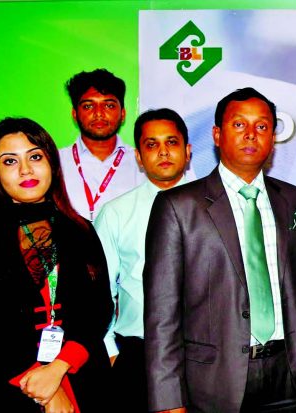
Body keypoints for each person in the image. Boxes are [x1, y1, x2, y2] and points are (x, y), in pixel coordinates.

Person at [144, 87, 296, 413]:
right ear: (216, 134)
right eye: (239, 125)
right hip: (213, 382)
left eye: (262, 126)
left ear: (272, 137)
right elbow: (162, 311)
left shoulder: (294, 200)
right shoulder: (178, 206)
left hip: (289, 375)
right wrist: (168, 398)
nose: (251, 134)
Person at [0, 117, 113, 411]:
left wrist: (59, 368)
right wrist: (41, 386)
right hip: (2, 384)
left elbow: (98, 309)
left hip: (81, 378)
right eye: (10, 161)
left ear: (52, 164)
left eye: (35, 156)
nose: (25, 170)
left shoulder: (80, 230)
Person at [94, 108, 193, 411]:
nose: (163, 152)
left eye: (171, 142)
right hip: (138, 355)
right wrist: (110, 351)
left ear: (188, 151)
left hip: (205, 356)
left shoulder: (216, 209)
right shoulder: (116, 213)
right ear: (138, 156)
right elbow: (98, 291)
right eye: (151, 145)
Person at [60, 68, 144, 220]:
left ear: (123, 114)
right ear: (74, 114)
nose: (99, 113)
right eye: (88, 106)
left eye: (109, 105)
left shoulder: (143, 163)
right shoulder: (55, 162)